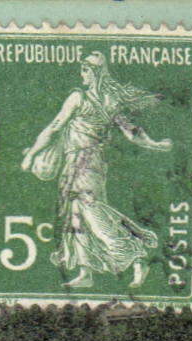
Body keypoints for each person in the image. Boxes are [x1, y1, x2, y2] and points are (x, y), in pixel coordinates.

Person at [20, 52, 173, 290]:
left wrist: (31, 154)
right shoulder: (111, 101)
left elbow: (55, 126)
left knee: (91, 212)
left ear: (95, 73)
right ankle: (85, 271)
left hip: (84, 163)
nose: (81, 74)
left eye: (85, 69)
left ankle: (135, 256)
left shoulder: (78, 97)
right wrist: (154, 144)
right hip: (87, 162)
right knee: (76, 215)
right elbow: (132, 132)